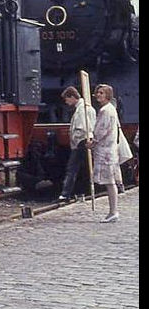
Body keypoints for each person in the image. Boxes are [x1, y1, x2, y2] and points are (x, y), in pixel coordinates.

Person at [88, 84, 122, 223]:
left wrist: (93, 142)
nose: (98, 95)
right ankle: (113, 211)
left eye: (101, 92)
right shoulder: (110, 109)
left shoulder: (105, 111)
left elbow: (102, 130)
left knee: (109, 182)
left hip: (106, 152)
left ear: (108, 95)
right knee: (110, 182)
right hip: (108, 151)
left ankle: (113, 211)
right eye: (97, 92)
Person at [57, 86, 95, 202]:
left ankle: (65, 194)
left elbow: (82, 128)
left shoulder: (82, 110)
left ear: (72, 97)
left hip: (81, 141)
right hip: (84, 140)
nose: (66, 102)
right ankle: (81, 191)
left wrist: (75, 139)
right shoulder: (87, 108)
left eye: (67, 99)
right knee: (81, 168)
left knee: (72, 168)